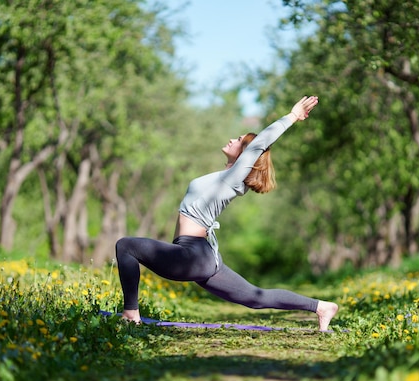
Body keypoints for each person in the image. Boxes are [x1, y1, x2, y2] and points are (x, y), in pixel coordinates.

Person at [115, 96, 339, 331]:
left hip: (194, 254)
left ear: (245, 153)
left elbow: (261, 142)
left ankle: (131, 313)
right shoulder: (225, 179)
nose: (233, 139)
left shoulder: (232, 179)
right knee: (255, 297)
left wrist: (292, 116)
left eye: (239, 139)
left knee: (126, 246)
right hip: (202, 257)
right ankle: (321, 306)